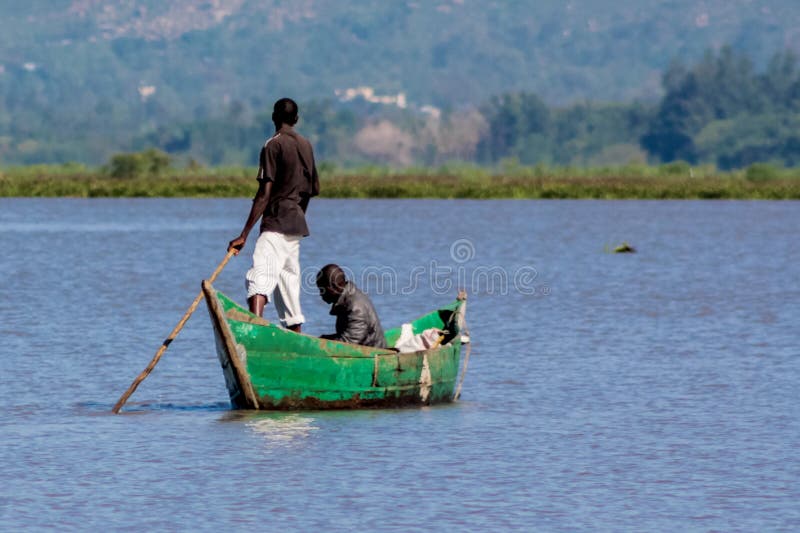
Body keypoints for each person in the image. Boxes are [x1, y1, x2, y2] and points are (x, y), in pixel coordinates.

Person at [228, 98, 320, 333]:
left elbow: (264, 194)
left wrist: (244, 235)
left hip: (276, 224)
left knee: (258, 279)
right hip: (295, 228)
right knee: (288, 291)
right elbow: (311, 190)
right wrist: (298, 214)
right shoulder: (306, 145)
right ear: (296, 119)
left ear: (273, 117)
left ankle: (255, 332)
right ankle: (296, 344)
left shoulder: (273, 145)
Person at [316, 264, 387, 348]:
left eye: (322, 290)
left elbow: (348, 344)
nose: (320, 294)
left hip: (372, 354)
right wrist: (324, 339)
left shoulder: (356, 309)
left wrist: (322, 344)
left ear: (333, 287)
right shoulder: (347, 300)